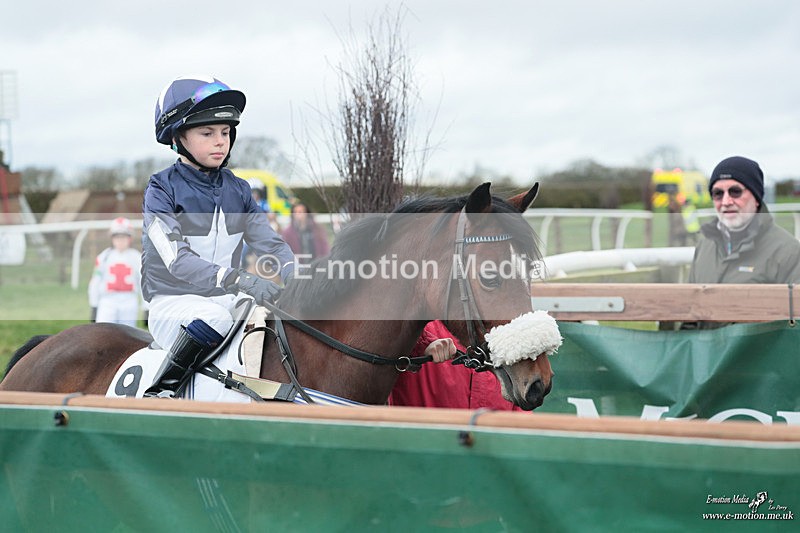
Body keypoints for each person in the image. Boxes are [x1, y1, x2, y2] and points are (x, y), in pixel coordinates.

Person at [142, 75, 295, 397]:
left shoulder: (238, 188)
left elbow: (269, 242)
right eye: (207, 132)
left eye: (225, 132)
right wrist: (239, 279)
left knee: (274, 318)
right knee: (215, 317)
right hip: (173, 303)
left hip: (225, 299)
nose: (220, 141)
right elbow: (178, 262)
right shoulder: (160, 188)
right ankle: (162, 391)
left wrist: (296, 275)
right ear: (178, 136)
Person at [685, 156, 800, 328]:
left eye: (735, 191)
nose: (726, 202)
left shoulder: (788, 251)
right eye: (718, 194)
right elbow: (690, 319)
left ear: (756, 198)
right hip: (707, 354)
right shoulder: (704, 246)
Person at [389, 320, 523, 411]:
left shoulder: (507, 331)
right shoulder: (419, 323)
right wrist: (421, 344)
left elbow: (520, 412)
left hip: (490, 448)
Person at [88, 217, 142, 327]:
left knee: (128, 334)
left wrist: (147, 307)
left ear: (130, 238)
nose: (120, 240)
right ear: (112, 238)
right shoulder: (104, 257)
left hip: (129, 300)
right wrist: (94, 305)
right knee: (103, 332)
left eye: (124, 237)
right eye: (117, 237)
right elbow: (95, 282)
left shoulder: (137, 257)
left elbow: (143, 283)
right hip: (108, 300)